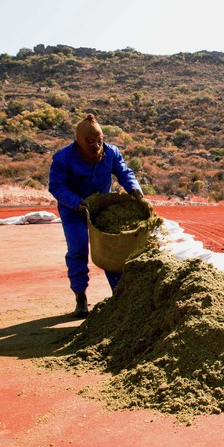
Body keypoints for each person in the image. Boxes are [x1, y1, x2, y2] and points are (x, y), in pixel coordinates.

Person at [48, 113, 143, 318]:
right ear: (80, 141)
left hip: (102, 208)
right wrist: (77, 203)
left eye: (99, 141)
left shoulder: (112, 152)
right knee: (78, 250)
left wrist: (134, 189)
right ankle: (80, 296)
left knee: (113, 249)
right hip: (74, 210)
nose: (96, 146)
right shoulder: (64, 158)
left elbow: (125, 172)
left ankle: (118, 293)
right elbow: (56, 186)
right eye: (90, 142)